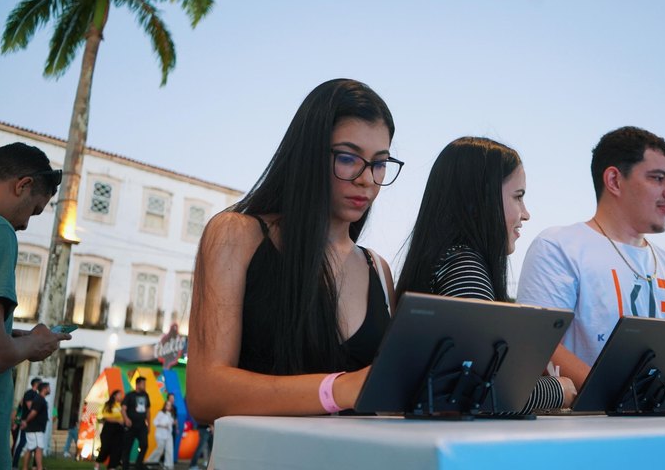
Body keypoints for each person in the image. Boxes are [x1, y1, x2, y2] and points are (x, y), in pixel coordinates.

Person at [187, 79, 401, 421]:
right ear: (308, 153)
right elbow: (205, 393)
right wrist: (338, 389)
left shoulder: (378, 267)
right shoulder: (236, 235)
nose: (367, 179)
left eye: (379, 163)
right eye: (348, 158)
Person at [517, 126, 665, 413]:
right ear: (614, 180)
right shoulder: (559, 246)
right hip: (586, 435)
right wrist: (625, 394)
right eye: (657, 178)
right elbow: (538, 344)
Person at [395, 137, 576, 413]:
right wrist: (559, 389)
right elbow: (479, 391)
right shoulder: (463, 265)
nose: (525, 214)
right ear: (481, 197)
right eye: (518, 197)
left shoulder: (444, 258)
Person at [0, 142, 71, 468]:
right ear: (23, 185)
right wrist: (34, 344)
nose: (26, 224)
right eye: (34, 210)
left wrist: (18, 335)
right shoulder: (1, 233)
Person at [19, 381, 50, 470]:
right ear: (44, 389)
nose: (49, 389)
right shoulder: (39, 399)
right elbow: (33, 412)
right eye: (48, 387)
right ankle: (39, 468)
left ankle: (26, 468)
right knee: (38, 448)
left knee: (30, 448)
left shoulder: (39, 398)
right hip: (35, 429)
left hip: (35, 429)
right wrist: (26, 421)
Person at [121, 376, 151, 469]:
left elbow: (148, 411)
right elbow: (123, 409)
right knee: (127, 447)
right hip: (131, 425)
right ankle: (125, 467)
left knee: (144, 445)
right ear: (137, 384)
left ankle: (138, 464)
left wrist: (149, 424)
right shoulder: (130, 395)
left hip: (142, 425)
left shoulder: (146, 395)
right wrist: (126, 419)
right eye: (143, 384)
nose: (144, 385)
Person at [95, 390, 124, 470]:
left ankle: (112, 467)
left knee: (116, 449)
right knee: (105, 447)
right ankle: (97, 463)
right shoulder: (108, 404)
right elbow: (107, 418)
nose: (121, 396)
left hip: (119, 430)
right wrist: (118, 420)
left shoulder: (122, 405)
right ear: (114, 395)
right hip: (109, 429)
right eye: (119, 395)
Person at [147, 400, 175, 469]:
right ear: (165, 406)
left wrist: (173, 423)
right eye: (167, 405)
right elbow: (155, 422)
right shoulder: (161, 413)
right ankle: (150, 462)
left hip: (168, 435)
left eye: (170, 405)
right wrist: (163, 426)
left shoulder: (171, 414)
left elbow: (170, 424)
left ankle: (168, 465)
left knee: (169, 449)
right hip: (160, 434)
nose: (168, 406)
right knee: (160, 449)